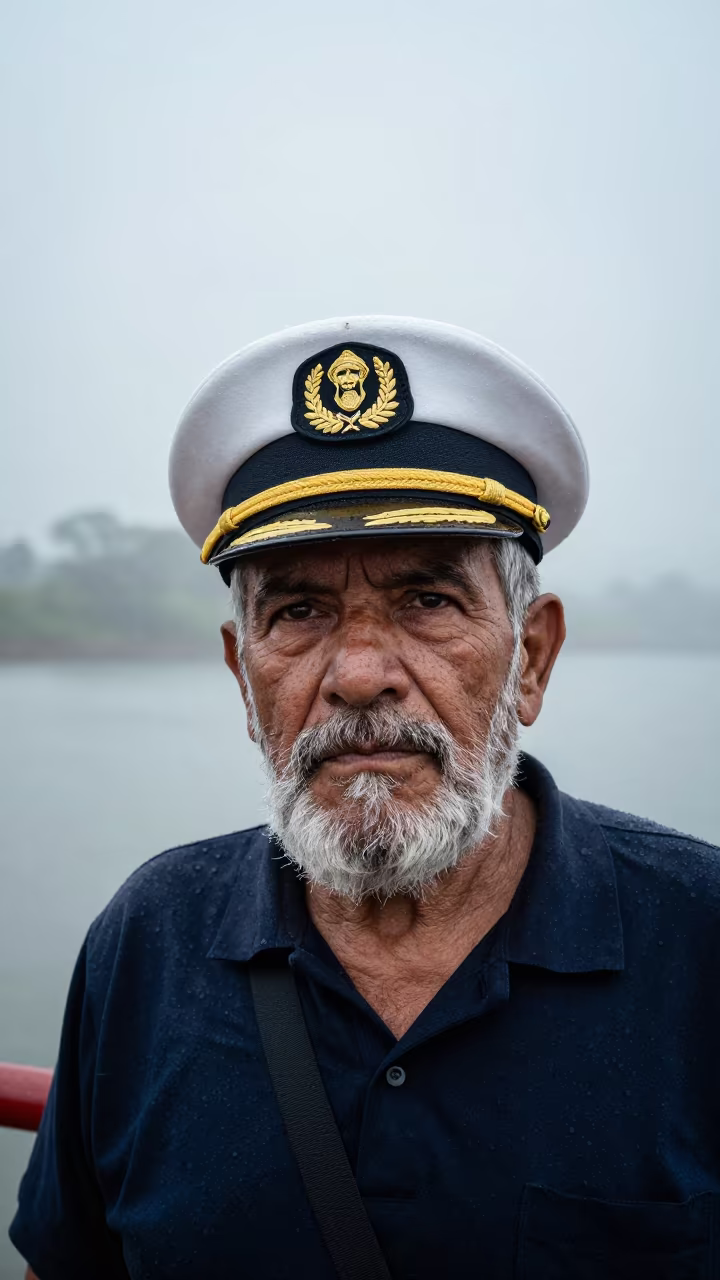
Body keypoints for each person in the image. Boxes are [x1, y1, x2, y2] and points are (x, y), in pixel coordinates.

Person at [11, 317, 720, 1280]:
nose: (356, 674)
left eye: (428, 602)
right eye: (297, 612)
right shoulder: (148, 939)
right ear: (242, 677)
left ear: (532, 660)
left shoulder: (699, 937)